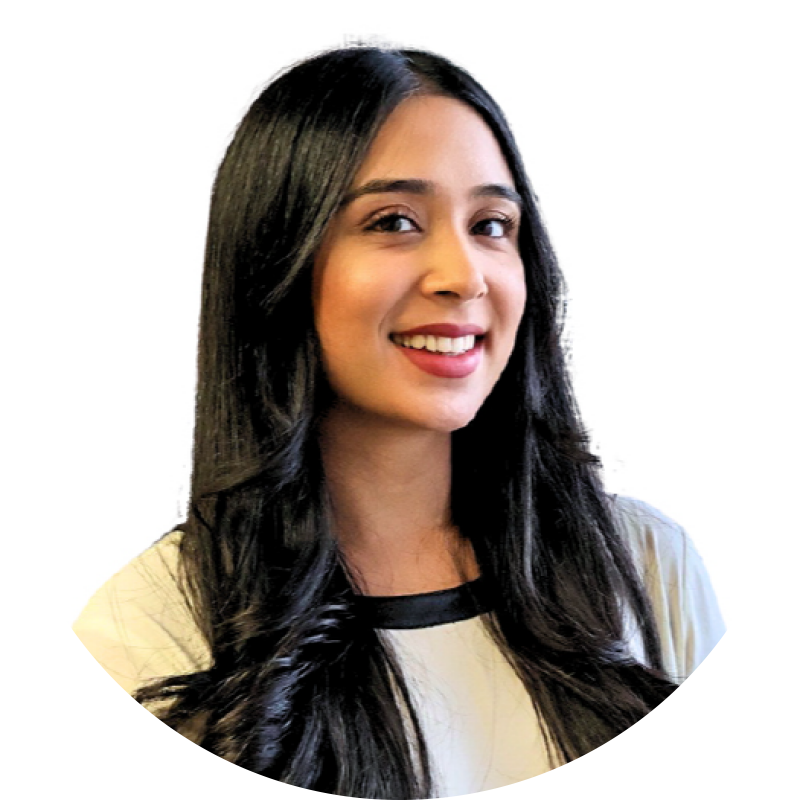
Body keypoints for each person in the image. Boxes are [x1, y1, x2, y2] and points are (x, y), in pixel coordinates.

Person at [68, 46, 766, 800]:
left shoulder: (646, 566)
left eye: (491, 224)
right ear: (276, 262)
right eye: (394, 221)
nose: (463, 275)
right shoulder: (149, 628)